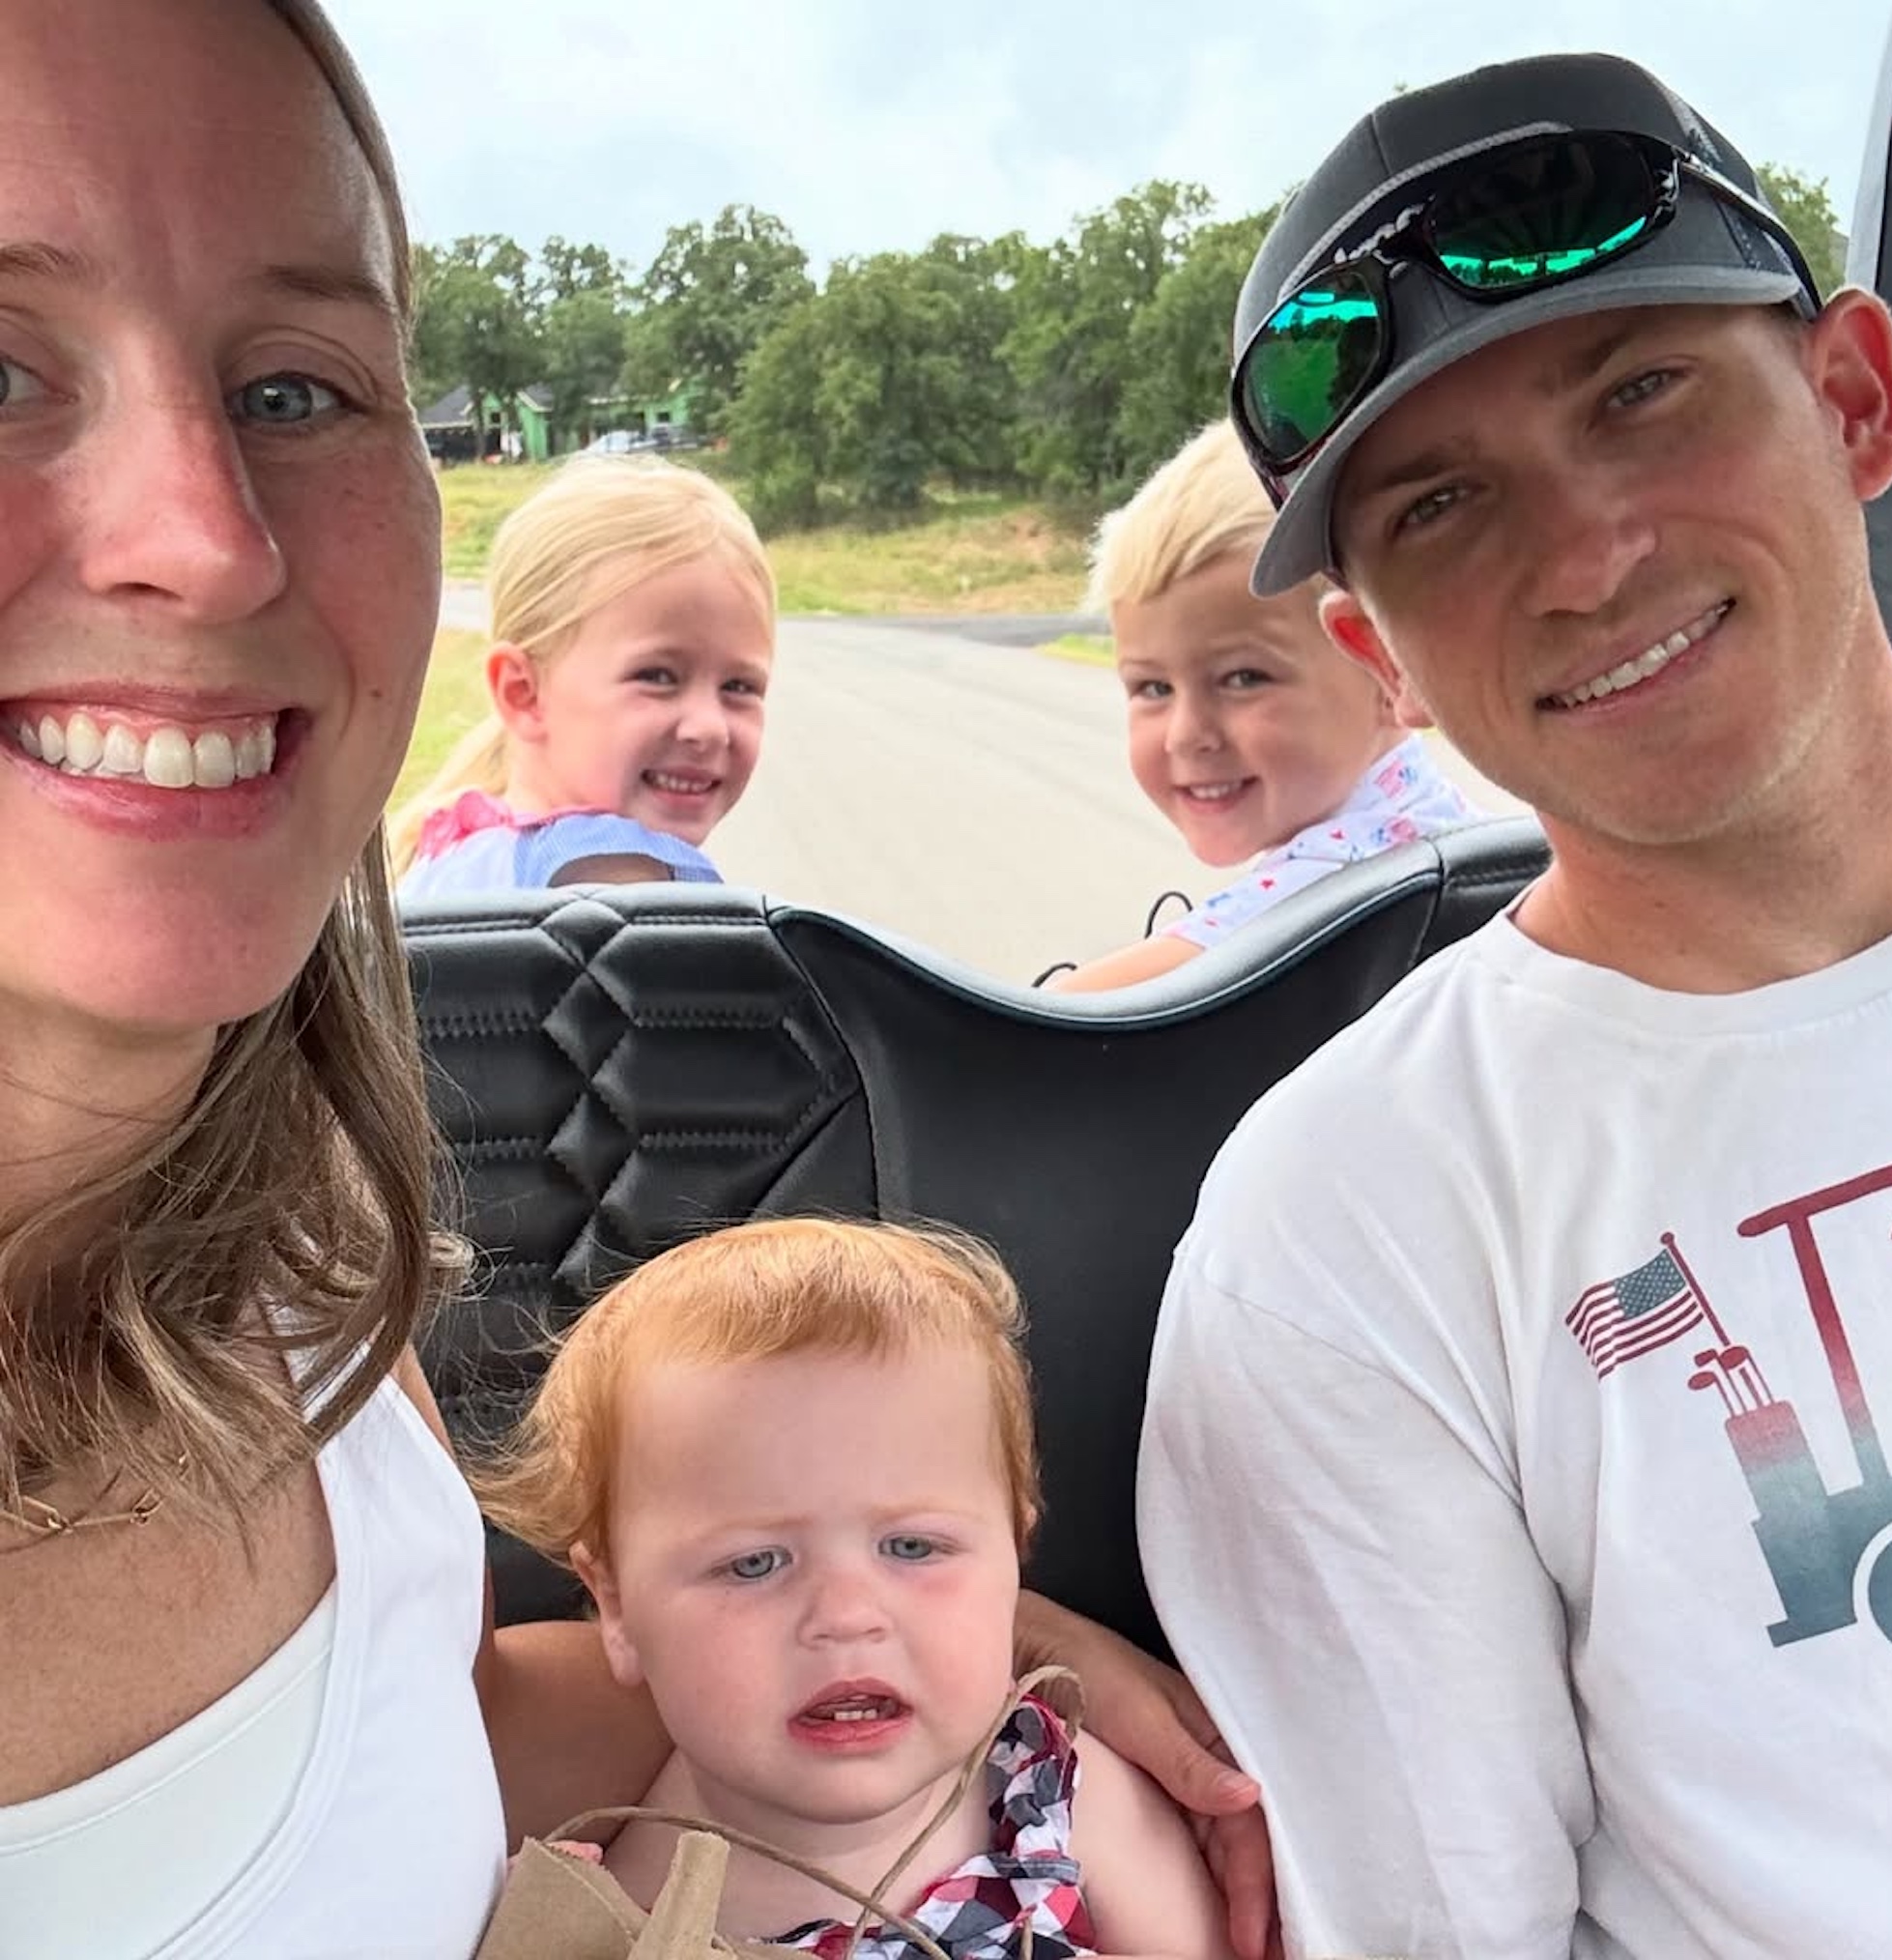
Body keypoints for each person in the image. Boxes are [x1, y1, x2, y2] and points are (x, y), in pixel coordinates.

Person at [0, 8, 1270, 1958]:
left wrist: (941, 1638)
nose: (201, 538)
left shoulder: (288, 1226)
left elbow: (388, 1731)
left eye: (298, 387)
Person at [1140, 49, 1892, 1960]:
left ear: (1856, 396)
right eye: (1439, 506)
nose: (1587, 557)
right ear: (1377, 656)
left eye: (1644, 395)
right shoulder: (1348, 1232)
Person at [475, 1219, 1236, 1958]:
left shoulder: (1052, 1795)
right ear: (616, 1608)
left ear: (1014, 1554)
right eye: (753, 1564)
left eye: (912, 1547)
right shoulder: (619, 1916)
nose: (846, 1618)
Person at [1046, 420, 1475, 993]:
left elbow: (1056, 1023)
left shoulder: (1318, 902)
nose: (1185, 735)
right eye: (1153, 688)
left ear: (1386, 665)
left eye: (1244, 678)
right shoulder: (1449, 834)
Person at [391, 455, 773, 897]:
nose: (709, 727)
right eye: (657, 676)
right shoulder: (617, 875)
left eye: (739, 687)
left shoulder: (449, 852)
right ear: (523, 694)